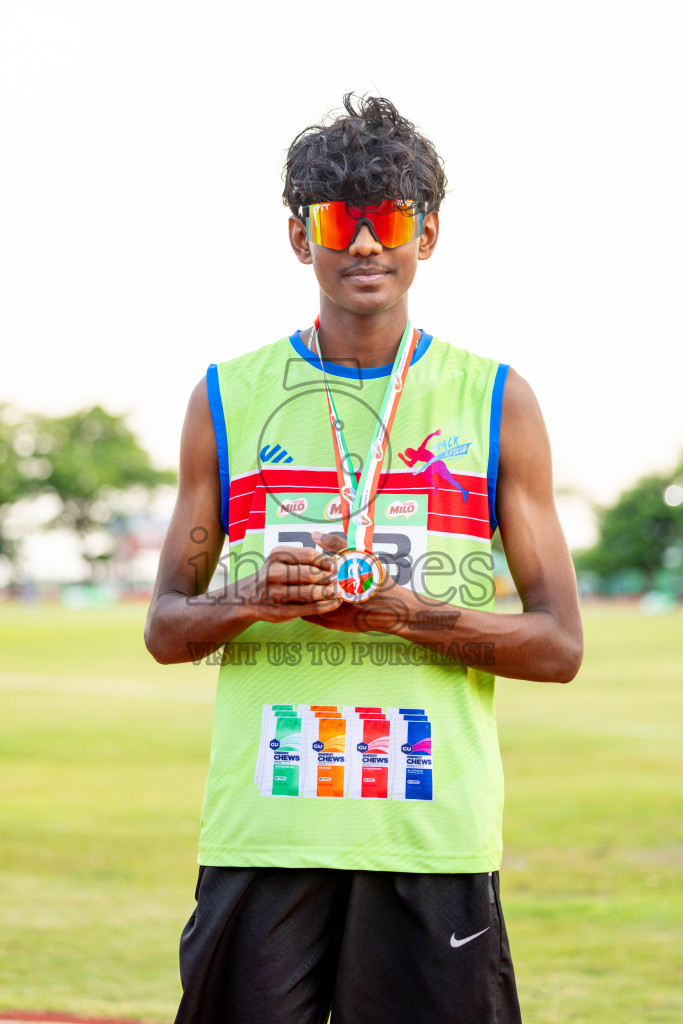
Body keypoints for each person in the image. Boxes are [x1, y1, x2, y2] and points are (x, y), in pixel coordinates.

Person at [145, 93, 583, 1024]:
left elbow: (558, 646)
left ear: (427, 233)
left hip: (427, 836)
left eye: (386, 220)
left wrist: (406, 613)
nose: (364, 245)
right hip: (270, 830)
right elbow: (166, 629)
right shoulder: (225, 397)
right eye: (336, 221)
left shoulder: (495, 401)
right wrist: (252, 597)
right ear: (299, 238)